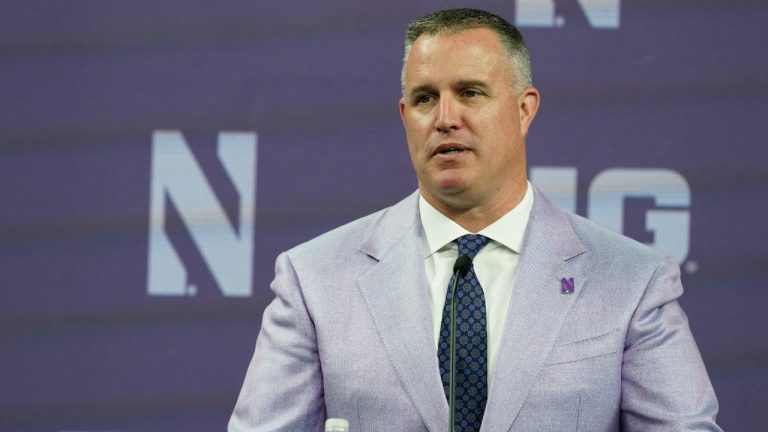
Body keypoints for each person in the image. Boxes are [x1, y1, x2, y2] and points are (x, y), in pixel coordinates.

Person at [229, 8, 721, 431]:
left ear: (524, 109)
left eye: (470, 93)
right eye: (425, 99)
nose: (445, 117)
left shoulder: (631, 281)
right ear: (405, 116)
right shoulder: (314, 279)